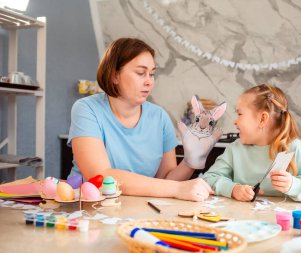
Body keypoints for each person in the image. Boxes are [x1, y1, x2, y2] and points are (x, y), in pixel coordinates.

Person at [68, 38, 213, 201]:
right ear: (114, 75)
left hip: (139, 210)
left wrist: (191, 160)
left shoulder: (159, 117)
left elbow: (166, 182)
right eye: (140, 73)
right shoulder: (87, 109)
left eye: (152, 74)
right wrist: (178, 188)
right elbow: (100, 176)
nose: (149, 81)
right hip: (89, 210)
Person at [202, 84, 301, 201]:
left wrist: (293, 185)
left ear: (263, 119)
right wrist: (233, 189)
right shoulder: (235, 149)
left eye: (240, 114)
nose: (234, 121)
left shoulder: (296, 149)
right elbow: (208, 179)